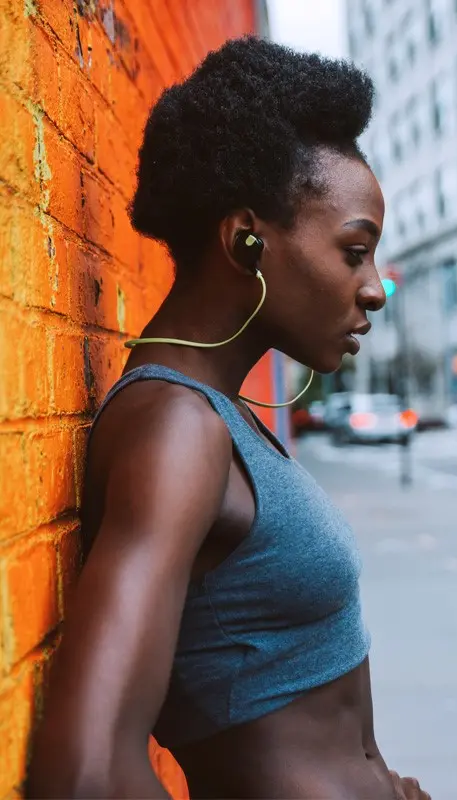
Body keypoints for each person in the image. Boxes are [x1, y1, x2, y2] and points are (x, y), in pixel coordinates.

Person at [26, 38, 430, 799]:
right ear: (248, 239)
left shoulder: (215, 416)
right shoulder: (177, 427)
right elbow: (84, 776)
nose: (375, 290)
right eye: (354, 252)